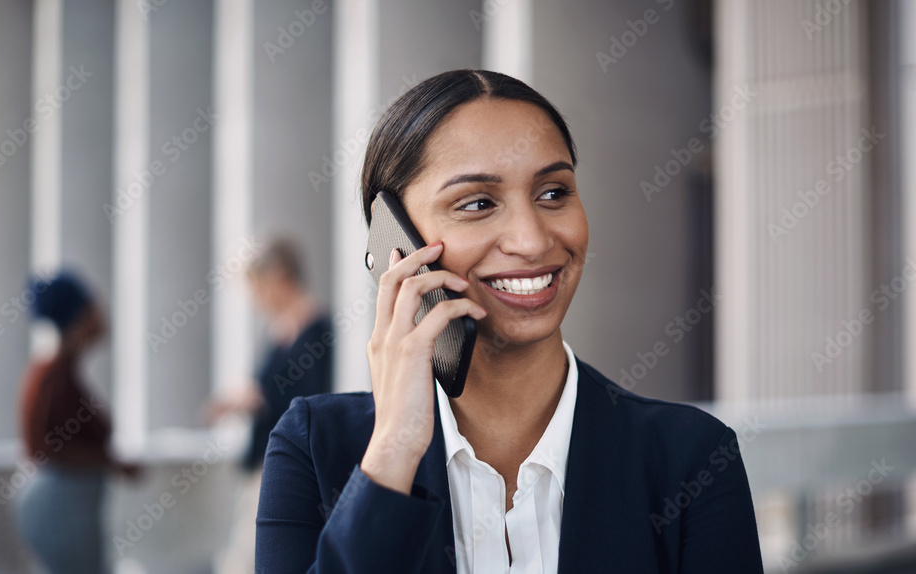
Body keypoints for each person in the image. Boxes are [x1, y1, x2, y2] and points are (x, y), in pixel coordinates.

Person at [255, 69, 763, 573]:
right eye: (477, 203)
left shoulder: (690, 458)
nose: (533, 240)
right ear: (395, 241)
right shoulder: (314, 448)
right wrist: (394, 452)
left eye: (553, 193)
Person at [207, 236, 333, 574]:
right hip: (262, 455)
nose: (256, 300)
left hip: (284, 458)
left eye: (258, 288)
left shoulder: (314, 327)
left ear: (279, 277)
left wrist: (255, 398)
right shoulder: (279, 329)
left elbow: (307, 395)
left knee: (251, 556)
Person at [14, 270, 139, 574]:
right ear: (79, 318)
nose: (102, 313)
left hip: (70, 506)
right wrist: (110, 463)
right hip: (59, 508)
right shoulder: (52, 376)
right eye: (93, 306)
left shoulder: (63, 372)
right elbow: (43, 448)